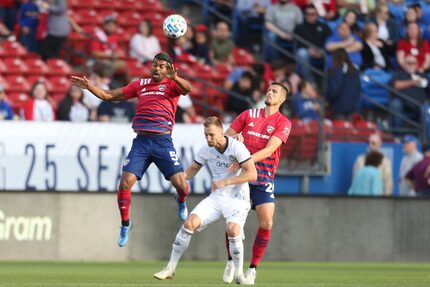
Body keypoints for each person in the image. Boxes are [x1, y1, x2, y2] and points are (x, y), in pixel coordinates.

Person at [71, 52, 192, 247]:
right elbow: (108, 95)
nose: (157, 68)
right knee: (125, 183)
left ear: (168, 68)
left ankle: (181, 201)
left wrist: (175, 77)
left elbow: (188, 89)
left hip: (163, 142)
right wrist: (88, 87)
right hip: (142, 142)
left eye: (161, 66)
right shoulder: (140, 84)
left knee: (181, 184)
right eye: (155, 65)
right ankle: (126, 224)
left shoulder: (172, 85)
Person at [153, 117, 257, 285]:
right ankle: (170, 268)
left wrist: (225, 182)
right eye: (205, 135)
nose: (208, 139)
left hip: (237, 199)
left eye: (211, 135)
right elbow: (193, 169)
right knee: (189, 223)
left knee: (232, 230)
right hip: (217, 197)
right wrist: (179, 183)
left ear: (222, 133)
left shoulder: (237, 147)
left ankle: (239, 274)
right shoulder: (206, 149)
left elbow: (252, 174)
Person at [223, 82, 292, 284]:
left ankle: (252, 269)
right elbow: (226, 136)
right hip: (242, 178)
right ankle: (231, 262)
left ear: (282, 99)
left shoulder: (283, 122)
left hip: (263, 178)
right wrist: (235, 137)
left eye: (275, 91)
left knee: (267, 222)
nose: (269, 92)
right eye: (269, 89)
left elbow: (270, 150)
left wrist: (245, 160)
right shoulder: (248, 115)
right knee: (232, 224)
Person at [325, 48, 361, 120]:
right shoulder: (355, 69)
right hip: (353, 106)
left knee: (340, 129)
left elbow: (334, 88)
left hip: (339, 107)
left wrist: (327, 98)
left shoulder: (338, 69)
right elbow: (359, 89)